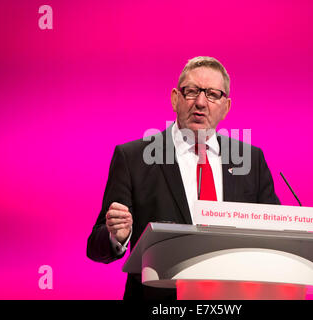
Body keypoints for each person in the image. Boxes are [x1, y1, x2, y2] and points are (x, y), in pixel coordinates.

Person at [87, 56, 280, 300]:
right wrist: (117, 237)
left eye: (212, 94)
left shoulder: (251, 161)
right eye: (191, 91)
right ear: (175, 98)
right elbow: (95, 246)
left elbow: (276, 235)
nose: (200, 102)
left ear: (226, 107)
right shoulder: (133, 158)